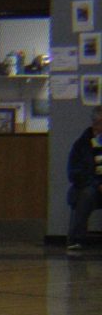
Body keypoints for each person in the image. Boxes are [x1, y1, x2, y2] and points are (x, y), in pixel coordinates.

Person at [67, 105, 102, 254]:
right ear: (96, 123)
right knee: (86, 195)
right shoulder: (81, 145)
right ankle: (78, 239)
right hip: (90, 187)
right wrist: (97, 184)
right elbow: (75, 173)